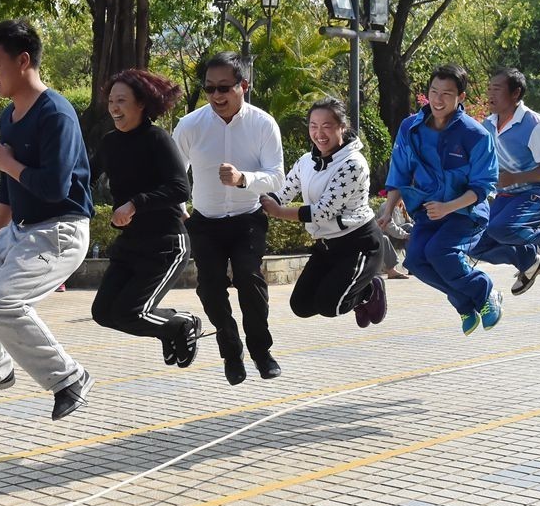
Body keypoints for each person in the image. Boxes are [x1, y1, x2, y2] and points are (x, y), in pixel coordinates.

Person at [0, 19, 95, 421]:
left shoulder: (56, 114)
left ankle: (70, 379)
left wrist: (8, 163)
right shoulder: (7, 117)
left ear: (23, 60)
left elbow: (54, 188)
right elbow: (10, 194)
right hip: (18, 231)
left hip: (59, 230)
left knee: (0, 302)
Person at [172, 52, 285, 386]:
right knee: (209, 288)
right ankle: (231, 352)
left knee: (250, 282)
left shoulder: (263, 124)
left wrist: (242, 179)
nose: (216, 96)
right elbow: (175, 173)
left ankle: (262, 352)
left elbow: (277, 178)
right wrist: (179, 205)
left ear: (243, 86)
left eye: (224, 87)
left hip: (246, 218)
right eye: (209, 89)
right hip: (204, 221)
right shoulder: (190, 125)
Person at [379, 64, 500, 336]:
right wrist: (388, 210)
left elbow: (483, 186)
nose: (438, 99)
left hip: (465, 213)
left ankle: (484, 291)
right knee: (416, 261)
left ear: (461, 98)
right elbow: (399, 171)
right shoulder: (410, 128)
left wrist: (448, 207)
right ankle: (464, 304)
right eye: (434, 91)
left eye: (447, 93)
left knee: (439, 253)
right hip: (429, 211)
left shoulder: (476, 135)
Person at [90, 69, 199, 366]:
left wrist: (135, 204)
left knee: (130, 312)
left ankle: (180, 325)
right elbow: (84, 177)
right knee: (103, 313)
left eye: (121, 100)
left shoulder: (157, 139)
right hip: (130, 245)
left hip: (165, 245)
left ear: (141, 104)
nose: (114, 107)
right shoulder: (110, 143)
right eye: (111, 100)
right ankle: (173, 326)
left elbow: (180, 188)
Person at [260, 97, 387, 327]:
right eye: (313, 126)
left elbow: (323, 211)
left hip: (358, 244)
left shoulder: (353, 164)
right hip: (326, 246)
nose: (319, 133)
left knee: (331, 306)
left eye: (327, 126)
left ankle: (368, 290)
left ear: (342, 127)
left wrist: (278, 212)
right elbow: (283, 191)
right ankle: (358, 291)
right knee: (301, 305)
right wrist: (256, 199)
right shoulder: (306, 161)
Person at [468, 68, 540, 295]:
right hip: (507, 196)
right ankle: (528, 260)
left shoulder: (535, 124)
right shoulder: (488, 125)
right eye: (489, 88)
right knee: (474, 244)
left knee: (501, 229)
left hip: (537, 193)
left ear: (516, 93)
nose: (490, 94)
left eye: (497, 89)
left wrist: (515, 178)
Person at [377, 193, 411, 279]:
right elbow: (390, 227)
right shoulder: (385, 207)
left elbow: (410, 222)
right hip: (389, 235)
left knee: (411, 228)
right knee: (384, 238)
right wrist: (406, 235)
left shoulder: (402, 207)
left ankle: (413, 264)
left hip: (398, 236)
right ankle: (391, 271)